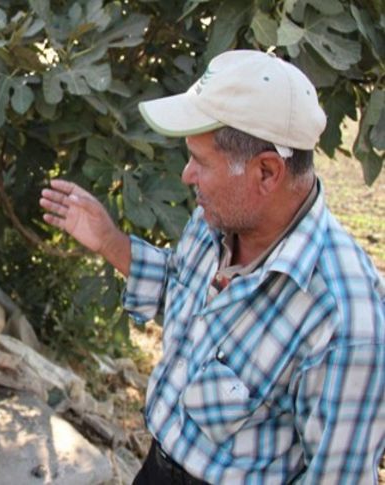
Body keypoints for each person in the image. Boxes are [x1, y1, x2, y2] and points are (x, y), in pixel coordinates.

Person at [40, 50, 385, 484]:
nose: (187, 175)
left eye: (200, 161)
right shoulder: (219, 217)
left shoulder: (344, 320)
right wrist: (110, 241)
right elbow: (183, 291)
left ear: (266, 172)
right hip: (158, 466)